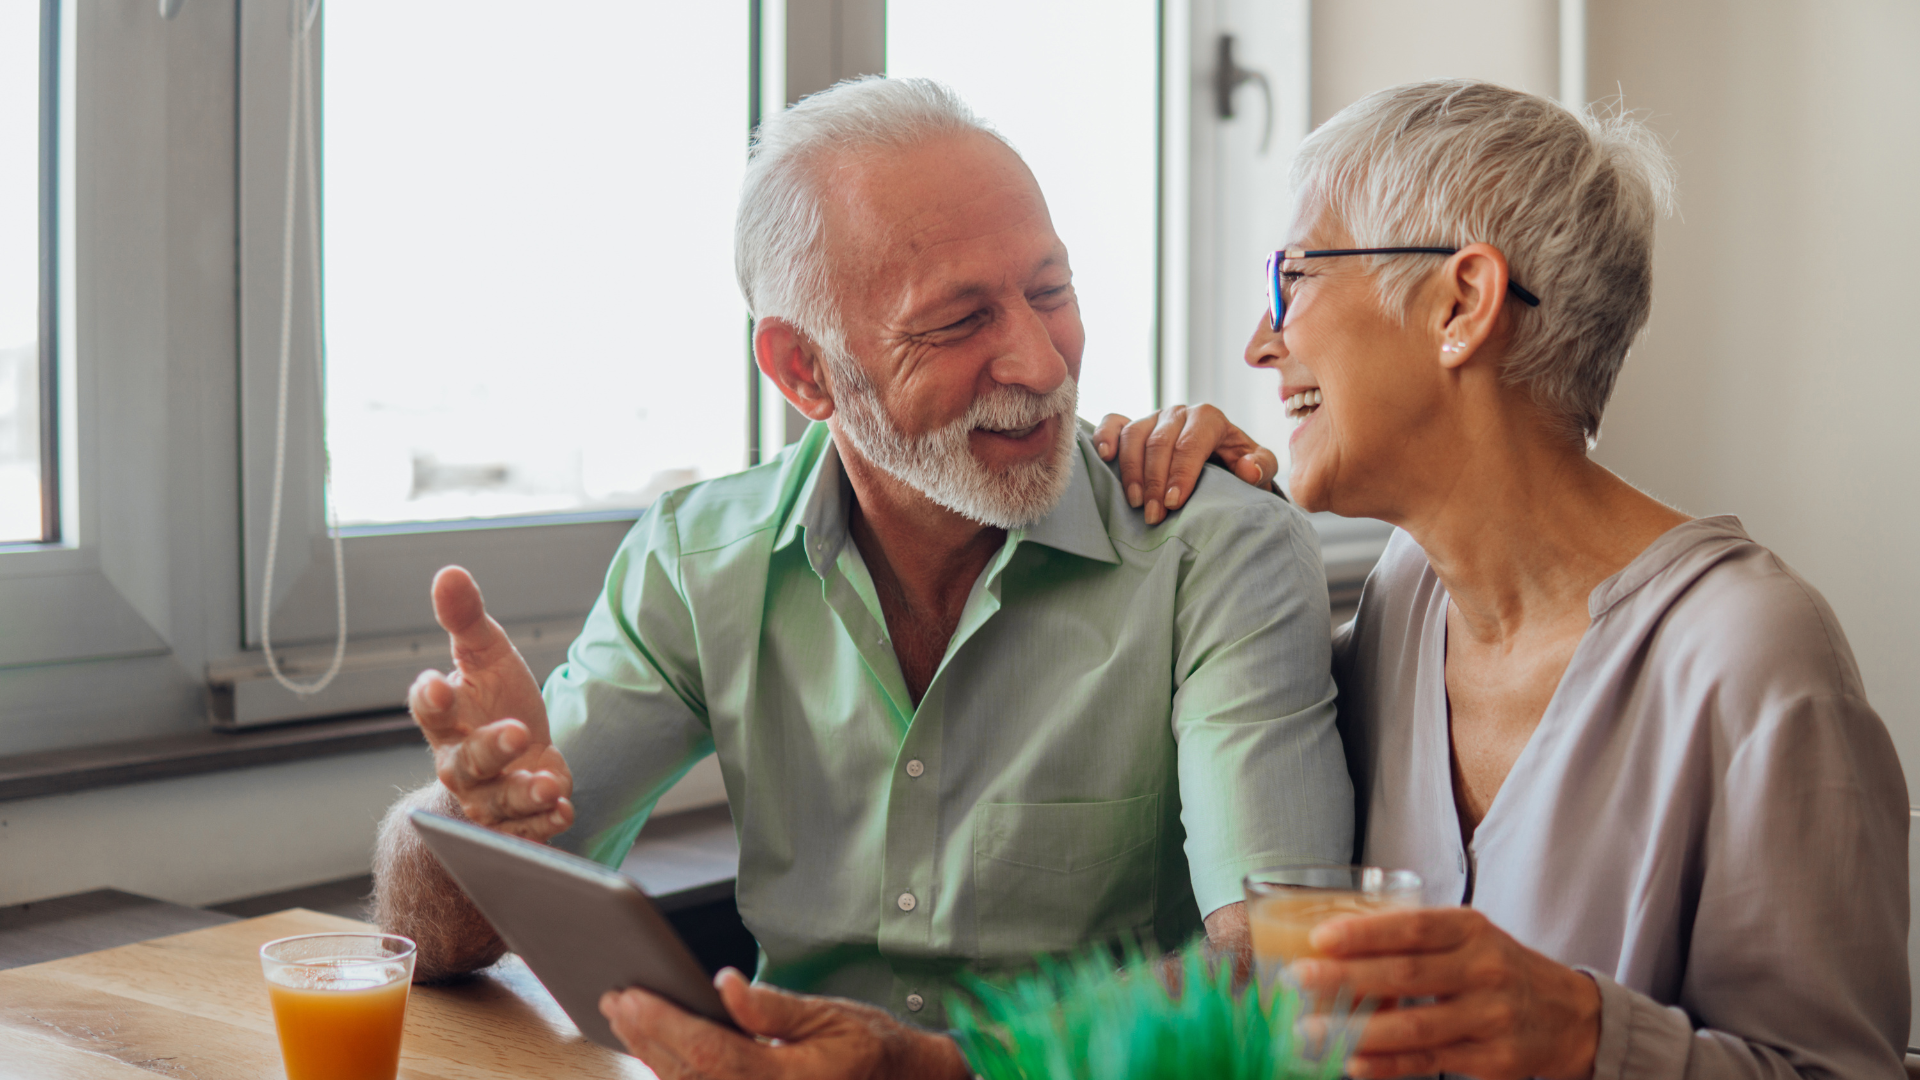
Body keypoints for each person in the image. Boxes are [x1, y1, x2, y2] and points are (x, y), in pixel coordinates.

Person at [370, 76, 1355, 1078]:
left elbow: (1278, 962)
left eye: (1050, 292)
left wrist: (939, 1070)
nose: (1038, 360)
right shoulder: (695, 559)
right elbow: (439, 942)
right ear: (806, 373)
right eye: (959, 322)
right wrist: (469, 823)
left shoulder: (1215, 550)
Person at [1099, 79, 1910, 1079]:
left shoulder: (1751, 656)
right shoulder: (1405, 601)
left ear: (1462, 303)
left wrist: (1587, 1034)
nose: (1261, 344)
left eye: (1291, 280)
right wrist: (1197, 517)